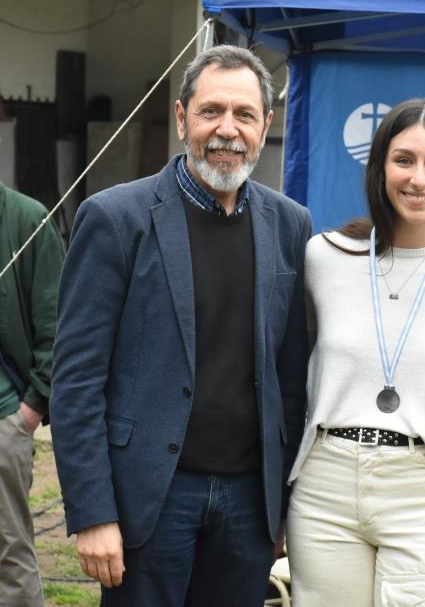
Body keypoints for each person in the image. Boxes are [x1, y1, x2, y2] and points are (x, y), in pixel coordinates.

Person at [49, 44, 311, 606]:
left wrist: (280, 510)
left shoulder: (290, 224)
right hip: (149, 499)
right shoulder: (116, 219)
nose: (227, 129)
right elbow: (75, 381)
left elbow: (291, 381)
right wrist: (93, 513)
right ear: (180, 117)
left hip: (248, 505)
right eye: (211, 111)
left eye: (244, 115)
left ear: (266, 125)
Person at [286, 98, 425, 606]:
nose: (419, 178)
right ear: (379, 166)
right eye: (404, 159)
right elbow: (294, 375)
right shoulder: (323, 256)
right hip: (326, 487)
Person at [0, 180, 65, 607]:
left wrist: (29, 409)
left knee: (9, 554)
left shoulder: (27, 218)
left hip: (4, 416)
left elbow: (59, 326)